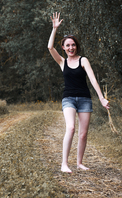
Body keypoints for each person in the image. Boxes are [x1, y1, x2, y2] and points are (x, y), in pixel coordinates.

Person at [47, 12, 110, 173]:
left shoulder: (83, 60)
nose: (71, 48)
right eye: (67, 45)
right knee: (71, 128)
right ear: (63, 47)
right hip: (68, 99)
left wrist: (102, 99)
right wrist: (54, 29)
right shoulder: (62, 62)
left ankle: (79, 163)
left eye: (73, 45)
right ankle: (64, 164)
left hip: (84, 100)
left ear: (77, 46)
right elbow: (49, 47)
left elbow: (93, 80)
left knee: (83, 134)